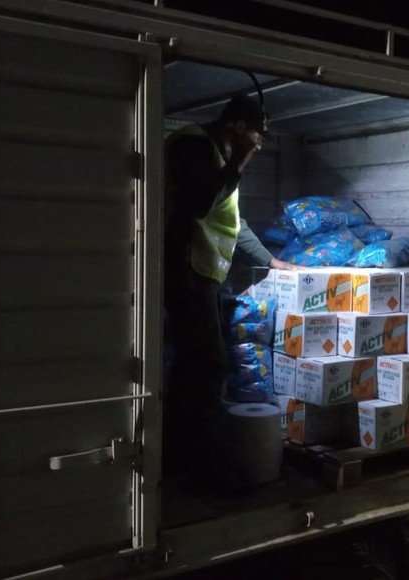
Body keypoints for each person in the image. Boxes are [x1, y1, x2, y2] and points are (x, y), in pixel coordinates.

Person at [162, 94, 298, 482]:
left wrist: (272, 261)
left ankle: (188, 454)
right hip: (185, 269)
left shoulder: (219, 158)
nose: (259, 143)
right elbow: (201, 203)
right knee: (206, 364)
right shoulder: (193, 146)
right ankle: (190, 463)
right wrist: (239, 160)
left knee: (198, 364)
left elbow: (233, 223)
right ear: (238, 128)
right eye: (256, 134)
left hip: (204, 274)